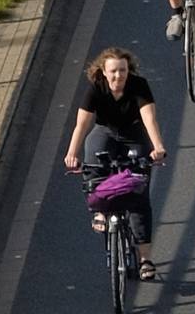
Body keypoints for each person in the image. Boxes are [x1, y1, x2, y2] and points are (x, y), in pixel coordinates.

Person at [63, 48, 169, 283]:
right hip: (106, 133)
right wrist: (72, 153)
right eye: (113, 71)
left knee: (138, 195)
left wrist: (157, 147)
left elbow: (148, 118)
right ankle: (100, 212)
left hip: (133, 135)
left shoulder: (139, 85)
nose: (118, 76)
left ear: (128, 70)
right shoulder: (96, 88)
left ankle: (144, 260)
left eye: (122, 70)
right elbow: (81, 124)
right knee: (93, 166)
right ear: (103, 72)